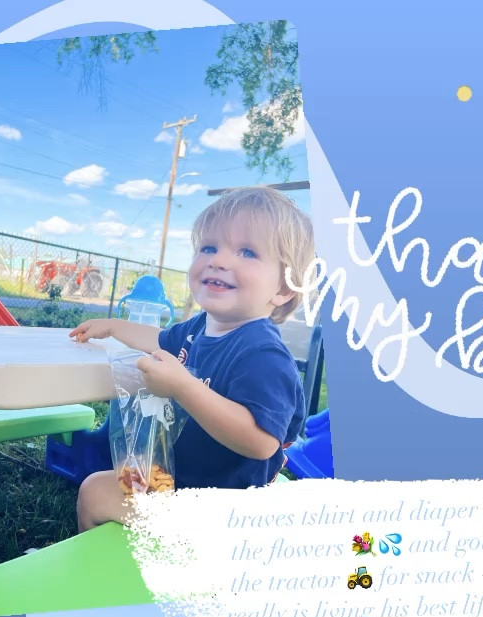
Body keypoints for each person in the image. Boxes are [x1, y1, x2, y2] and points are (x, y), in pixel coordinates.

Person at [69, 186, 315, 531]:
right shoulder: (200, 326)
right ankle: (124, 564)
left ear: (284, 289)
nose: (219, 260)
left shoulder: (262, 353)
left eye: (246, 252)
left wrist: (183, 387)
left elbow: (261, 443)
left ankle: (96, 579)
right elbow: (157, 338)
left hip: (220, 505)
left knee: (96, 492)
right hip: (182, 480)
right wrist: (113, 326)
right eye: (209, 247)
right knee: (106, 482)